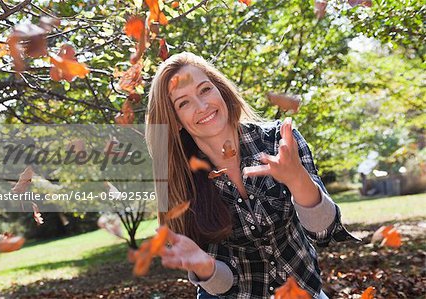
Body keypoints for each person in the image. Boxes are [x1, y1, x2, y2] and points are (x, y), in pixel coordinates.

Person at [145, 52, 358, 299]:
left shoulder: (279, 141)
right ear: (176, 121)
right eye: (184, 103)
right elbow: (223, 287)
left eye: (204, 90)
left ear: (220, 90)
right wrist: (203, 265)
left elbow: (324, 232)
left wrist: (297, 178)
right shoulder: (183, 182)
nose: (202, 106)